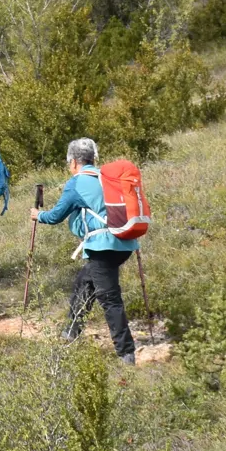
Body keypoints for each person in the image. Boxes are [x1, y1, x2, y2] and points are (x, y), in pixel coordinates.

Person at [36, 137, 140, 363]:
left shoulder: (77, 183)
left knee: (110, 298)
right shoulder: (106, 177)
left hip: (103, 246)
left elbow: (55, 216)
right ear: (93, 159)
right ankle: (71, 331)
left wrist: (38, 216)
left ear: (73, 162)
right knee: (85, 280)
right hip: (125, 242)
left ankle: (126, 353)